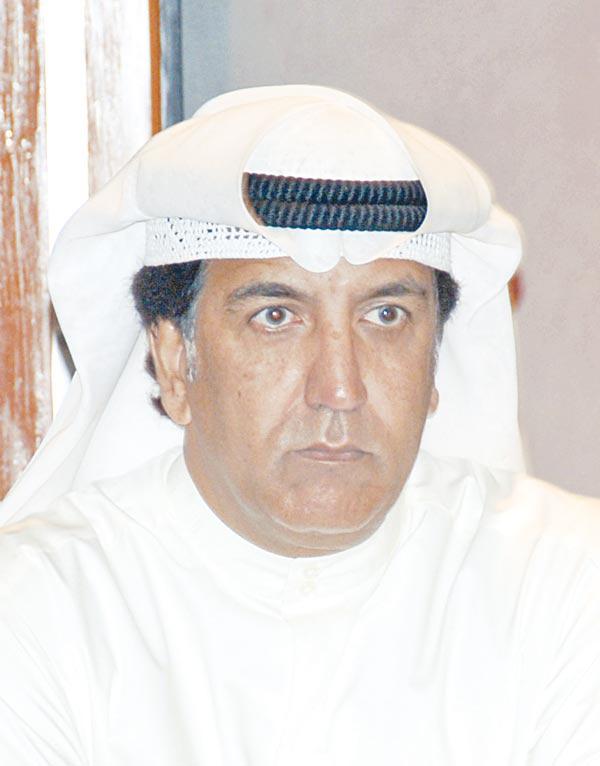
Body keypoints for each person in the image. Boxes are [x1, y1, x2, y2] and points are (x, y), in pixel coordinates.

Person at [0, 85, 598, 765]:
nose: (339, 389)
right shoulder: (36, 607)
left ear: (435, 362)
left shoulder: (567, 581)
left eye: (386, 316)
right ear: (174, 363)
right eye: (276, 317)